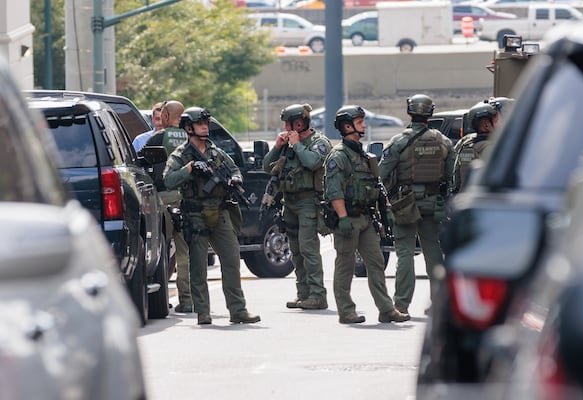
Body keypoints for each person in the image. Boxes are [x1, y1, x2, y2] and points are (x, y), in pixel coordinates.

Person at [163, 106, 260, 325]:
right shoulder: (181, 154)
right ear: (188, 128)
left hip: (220, 210)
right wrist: (189, 168)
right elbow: (168, 180)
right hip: (195, 214)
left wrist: (236, 180)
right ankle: (203, 311)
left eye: (206, 123)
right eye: (200, 124)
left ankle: (238, 310)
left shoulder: (216, 152)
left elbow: (235, 170)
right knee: (198, 265)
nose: (205, 127)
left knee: (232, 260)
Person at [323, 105, 409, 324]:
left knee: (376, 262)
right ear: (347, 126)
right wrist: (342, 218)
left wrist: (387, 209)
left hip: (366, 218)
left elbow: (377, 185)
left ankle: (386, 309)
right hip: (348, 219)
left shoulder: (364, 155)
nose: (364, 125)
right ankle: (346, 311)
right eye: (360, 122)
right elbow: (334, 191)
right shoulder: (339, 156)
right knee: (345, 264)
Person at [379, 94, 455, 317]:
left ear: (409, 112)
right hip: (434, 204)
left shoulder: (398, 142)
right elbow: (451, 177)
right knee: (433, 253)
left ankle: (401, 305)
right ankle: (439, 304)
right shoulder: (444, 142)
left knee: (404, 254)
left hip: (405, 204)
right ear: (430, 113)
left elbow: (381, 174)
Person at [263, 104, 331, 310]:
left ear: (300, 123)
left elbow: (312, 163)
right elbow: (267, 166)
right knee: (295, 251)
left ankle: (318, 294)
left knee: (308, 249)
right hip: (289, 202)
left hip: (309, 202)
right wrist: (277, 146)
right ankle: (303, 293)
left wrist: (297, 145)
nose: (285, 127)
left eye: (289, 123)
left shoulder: (319, 142)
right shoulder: (287, 145)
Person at [141, 100, 192, 313]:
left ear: (167, 116)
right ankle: (189, 300)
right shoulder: (192, 140)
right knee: (185, 252)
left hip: (162, 200)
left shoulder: (157, 138)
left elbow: (140, 164)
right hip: (188, 200)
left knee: (162, 248)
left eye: (162, 113)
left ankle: (162, 298)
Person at [452, 101, 498, 193]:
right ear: (486, 125)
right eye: (496, 120)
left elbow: (455, 178)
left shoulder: (465, 144)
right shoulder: (492, 148)